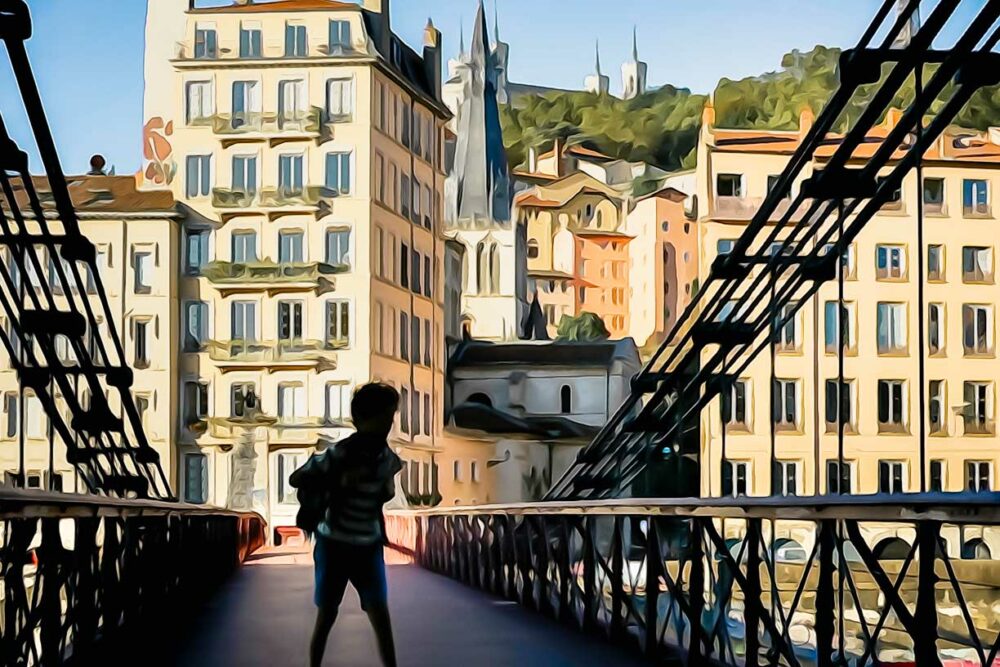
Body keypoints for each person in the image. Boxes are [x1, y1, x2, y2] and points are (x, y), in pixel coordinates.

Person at [290, 382, 403, 667]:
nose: (388, 426)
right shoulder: (339, 455)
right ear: (363, 419)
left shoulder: (388, 460)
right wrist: (338, 481)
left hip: (364, 545)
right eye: (385, 418)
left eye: (390, 418)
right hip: (335, 544)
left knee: (377, 613)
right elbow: (297, 478)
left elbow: (382, 495)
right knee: (329, 615)